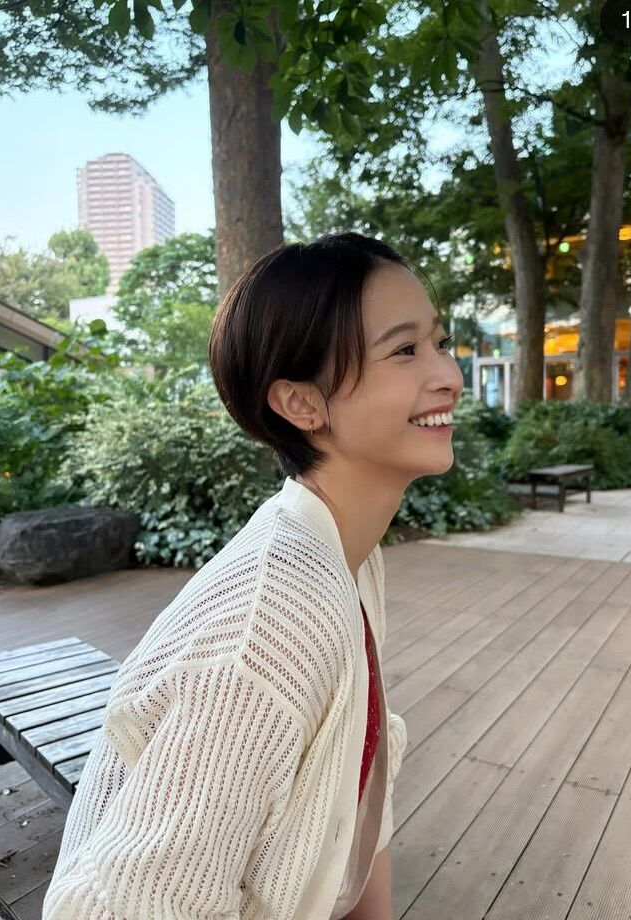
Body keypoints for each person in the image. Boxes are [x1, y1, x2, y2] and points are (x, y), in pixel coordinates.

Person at [41, 231, 464, 920]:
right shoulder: (270, 623)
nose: (448, 373)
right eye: (404, 350)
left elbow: (358, 771)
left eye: (441, 341)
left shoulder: (343, 551)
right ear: (301, 404)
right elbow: (123, 906)